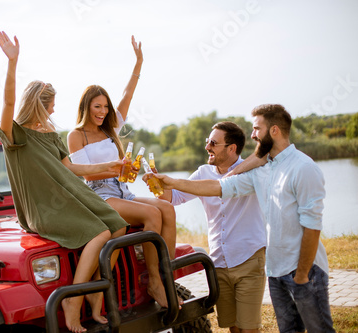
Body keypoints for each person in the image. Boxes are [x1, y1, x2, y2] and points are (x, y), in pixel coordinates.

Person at [146, 104, 335, 332]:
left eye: (257, 128)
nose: (207, 146)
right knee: (251, 327)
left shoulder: (275, 170)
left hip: (267, 262)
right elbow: (190, 193)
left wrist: (304, 273)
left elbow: (312, 224)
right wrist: (160, 184)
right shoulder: (234, 171)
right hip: (244, 264)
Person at [0, 31, 129, 333]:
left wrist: (111, 166)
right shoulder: (15, 135)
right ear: (39, 104)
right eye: (51, 105)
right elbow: (7, 100)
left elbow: (70, 168)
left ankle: (96, 291)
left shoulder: (51, 135)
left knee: (118, 225)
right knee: (98, 234)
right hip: (44, 209)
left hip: (71, 196)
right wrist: (12, 63)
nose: (55, 111)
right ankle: (73, 299)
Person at [67, 36, 177, 308]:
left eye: (105, 107)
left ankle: (167, 276)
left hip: (122, 191)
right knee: (152, 214)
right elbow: (87, 176)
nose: (103, 112)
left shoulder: (110, 128)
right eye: (97, 107)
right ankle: (154, 281)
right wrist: (114, 167)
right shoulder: (76, 135)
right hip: (99, 195)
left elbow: (127, 96)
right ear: (86, 107)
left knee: (167, 208)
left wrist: (138, 63)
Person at [158, 121, 266, 332]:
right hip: (218, 261)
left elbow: (219, 188)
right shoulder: (202, 173)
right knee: (232, 326)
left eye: (214, 143)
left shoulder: (251, 174)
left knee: (249, 327)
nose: (207, 147)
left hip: (248, 257)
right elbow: (174, 198)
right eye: (208, 141)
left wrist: (173, 181)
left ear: (232, 148)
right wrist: (156, 183)